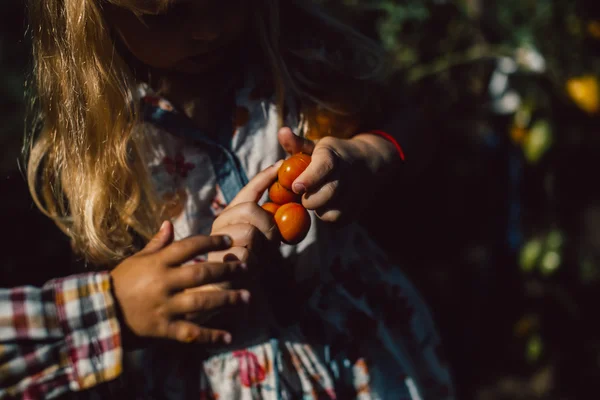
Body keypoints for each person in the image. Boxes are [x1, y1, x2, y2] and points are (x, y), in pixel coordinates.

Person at [1, 0, 454, 398]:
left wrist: (374, 152)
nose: (208, 28)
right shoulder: (108, 132)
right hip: (216, 372)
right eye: (167, 13)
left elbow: (413, 120)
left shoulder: (300, 57)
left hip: (358, 347)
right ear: (96, 12)